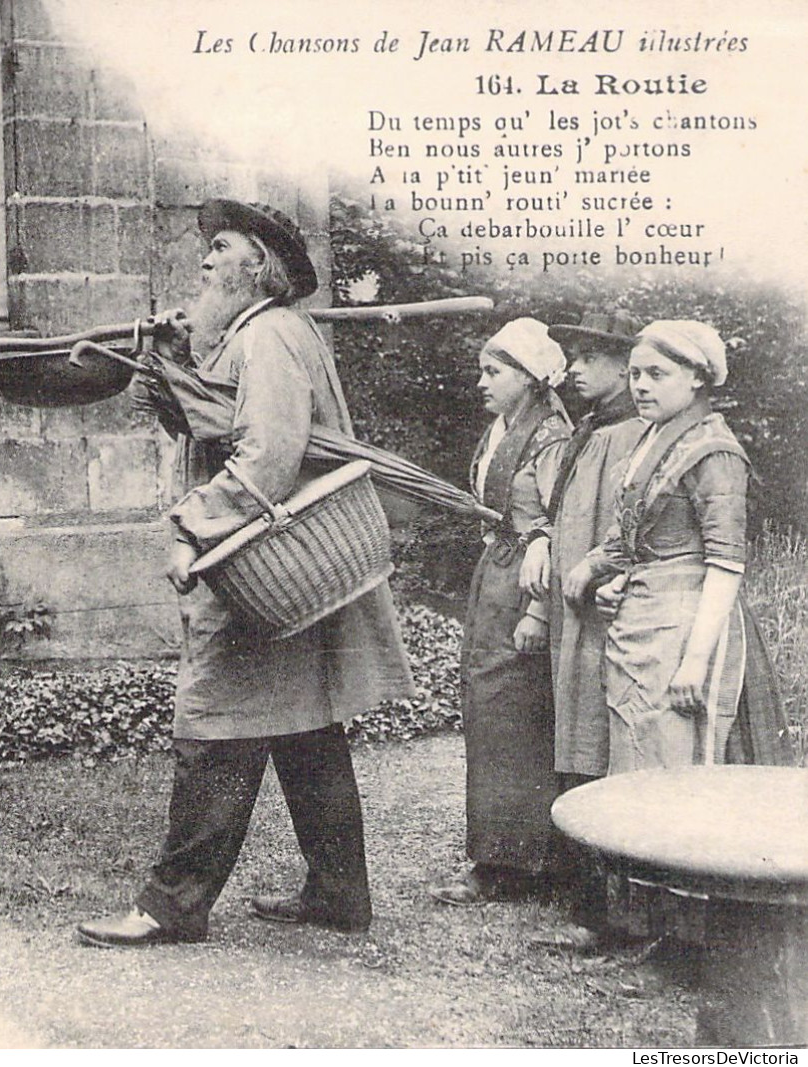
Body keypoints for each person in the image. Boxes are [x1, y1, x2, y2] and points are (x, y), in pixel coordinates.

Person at [75, 200, 415, 947]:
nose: (202, 260)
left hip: (261, 559)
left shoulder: (267, 337)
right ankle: (337, 893)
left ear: (256, 266)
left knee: (215, 726)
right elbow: (210, 429)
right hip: (283, 560)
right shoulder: (251, 336)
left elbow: (266, 453)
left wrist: (192, 530)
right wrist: (167, 368)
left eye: (218, 246)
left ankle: (172, 904)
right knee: (303, 726)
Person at [563, 321, 789, 772]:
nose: (641, 386)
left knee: (676, 764)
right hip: (639, 626)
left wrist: (695, 661)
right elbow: (641, 533)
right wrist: (603, 572)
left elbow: (725, 565)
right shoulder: (652, 439)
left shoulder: (714, 450)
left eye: (656, 374)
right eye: (634, 374)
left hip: (686, 630)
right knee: (635, 757)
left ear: (697, 377)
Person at [429, 319, 571, 906]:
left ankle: (514, 862)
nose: (481, 382)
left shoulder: (552, 435)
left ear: (532, 377)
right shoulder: (502, 428)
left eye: (495, 371)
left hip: (530, 580)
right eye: (483, 369)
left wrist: (536, 608)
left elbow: (560, 521)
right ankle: (502, 854)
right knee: (490, 711)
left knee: (515, 714)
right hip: (497, 572)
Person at [519, 309, 644, 950]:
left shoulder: (634, 437)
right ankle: (581, 889)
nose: (574, 370)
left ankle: (611, 908)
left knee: (603, 738)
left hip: (608, 609)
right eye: (572, 358)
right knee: (575, 731)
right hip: (574, 609)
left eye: (589, 359)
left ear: (625, 366)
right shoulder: (588, 430)